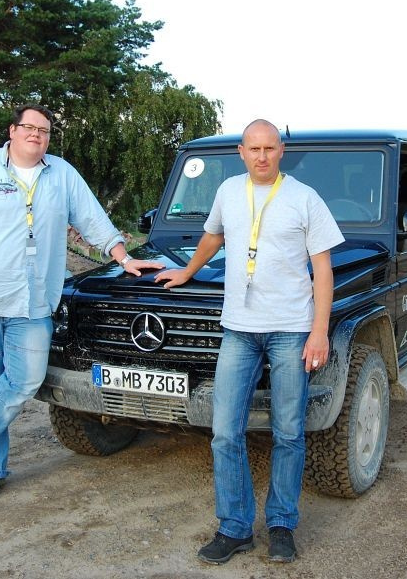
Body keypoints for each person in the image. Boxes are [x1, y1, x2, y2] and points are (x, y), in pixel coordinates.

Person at [0, 104, 162, 501]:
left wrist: (124, 258)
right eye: (29, 127)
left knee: (25, 380)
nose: (36, 134)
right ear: (12, 131)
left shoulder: (62, 175)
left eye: (44, 130)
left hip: (35, 301)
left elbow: (93, 219)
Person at [155, 119, 344, 563]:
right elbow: (212, 236)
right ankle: (235, 527)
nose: (262, 156)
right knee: (224, 432)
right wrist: (187, 271)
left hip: (290, 329)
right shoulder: (227, 192)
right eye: (254, 148)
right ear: (241, 152)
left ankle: (281, 525)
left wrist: (319, 331)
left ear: (281, 151)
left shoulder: (304, 198)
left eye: (269, 148)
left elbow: (323, 269)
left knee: (289, 432)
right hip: (238, 328)